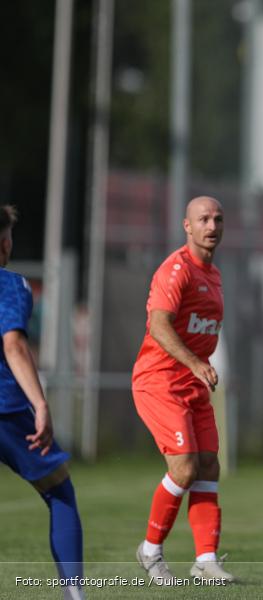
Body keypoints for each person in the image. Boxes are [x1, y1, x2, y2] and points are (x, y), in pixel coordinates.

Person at [132, 196, 234, 584]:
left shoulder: (214, 273)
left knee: (209, 465)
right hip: (160, 381)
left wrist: (199, 369)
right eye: (203, 219)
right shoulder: (176, 270)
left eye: (218, 219)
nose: (212, 226)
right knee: (185, 467)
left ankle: (205, 561)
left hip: (193, 385)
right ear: (186, 226)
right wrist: (194, 362)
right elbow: (158, 325)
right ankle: (151, 551)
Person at [0, 205, 84, 600]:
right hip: (8, 409)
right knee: (59, 491)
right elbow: (14, 344)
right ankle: (74, 594)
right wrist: (41, 403)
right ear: (4, 242)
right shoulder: (12, 284)